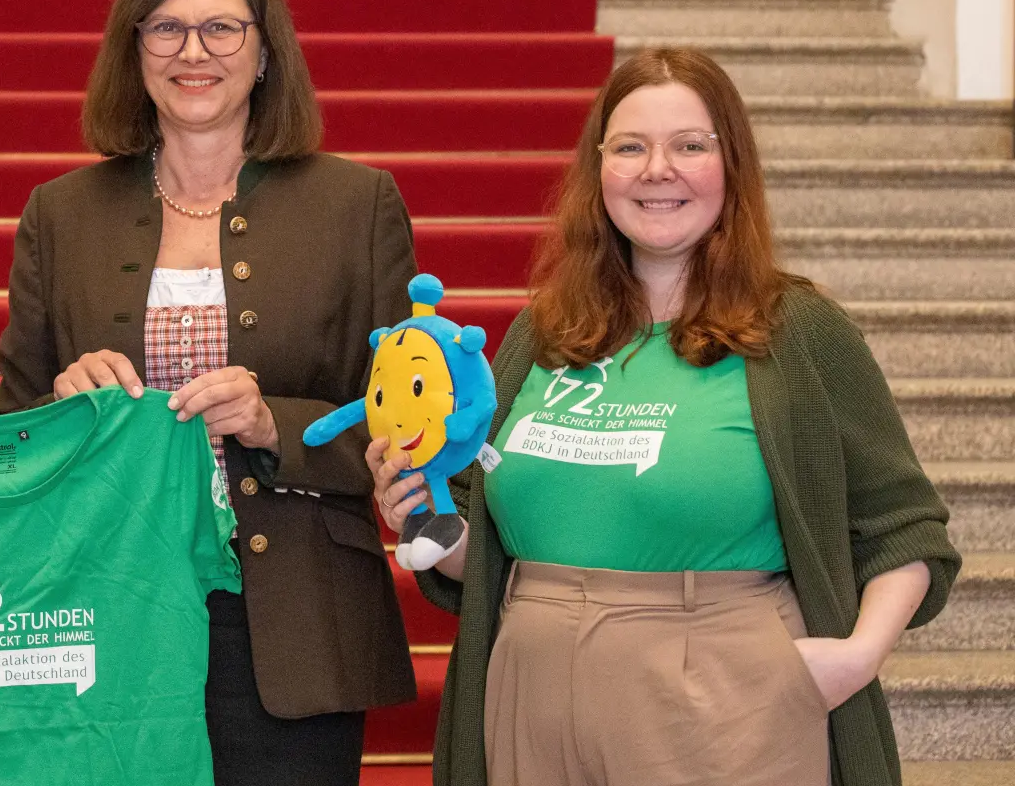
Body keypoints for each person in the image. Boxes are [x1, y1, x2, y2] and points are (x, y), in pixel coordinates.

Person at [368, 48, 961, 786]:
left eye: (689, 145)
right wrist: (422, 514)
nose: (658, 169)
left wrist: (857, 656)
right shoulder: (545, 332)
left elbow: (902, 526)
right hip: (530, 691)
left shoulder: (800, 331)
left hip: (724, 694)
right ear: (598, 171)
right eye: (630, 147)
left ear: (731, 166)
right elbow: (485, 553)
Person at [0, 0, 417, 786]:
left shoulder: (357, 204)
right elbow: (9, 442)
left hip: (298, 625)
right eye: (166, 29)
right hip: (108, 606)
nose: (194, 52)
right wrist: (65, 415)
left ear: (264, 52)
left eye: (223, 29)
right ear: (134, 49)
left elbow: (406, 423)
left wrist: (274, 423)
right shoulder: (59, 213)